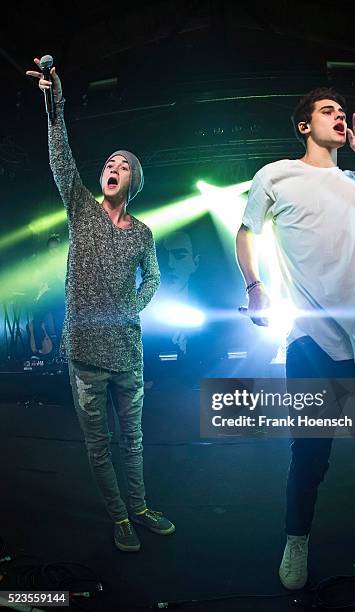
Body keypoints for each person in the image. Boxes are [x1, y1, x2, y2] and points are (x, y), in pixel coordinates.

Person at [235, 87, 355, 589]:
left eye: (342, 112)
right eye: (327, 111)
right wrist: (255, 287)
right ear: (305, 126)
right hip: (312, 342)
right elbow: (246, 231)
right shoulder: (277, 175)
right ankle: (297, 540)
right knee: (311, 455)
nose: (339, 117)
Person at [26, 57, 175, 552]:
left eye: (123, 166)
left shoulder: (143, 234)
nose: (112, 169)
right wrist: (54, 104)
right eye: (109, 164)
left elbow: (153, 278)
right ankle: (120, 518)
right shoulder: (82, 209)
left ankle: (141, 506)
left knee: (131, 442)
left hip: (127, 353)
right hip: (86, 354)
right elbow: (60, 157)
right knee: (99, 446)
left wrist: (134, 306)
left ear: (134, 182)